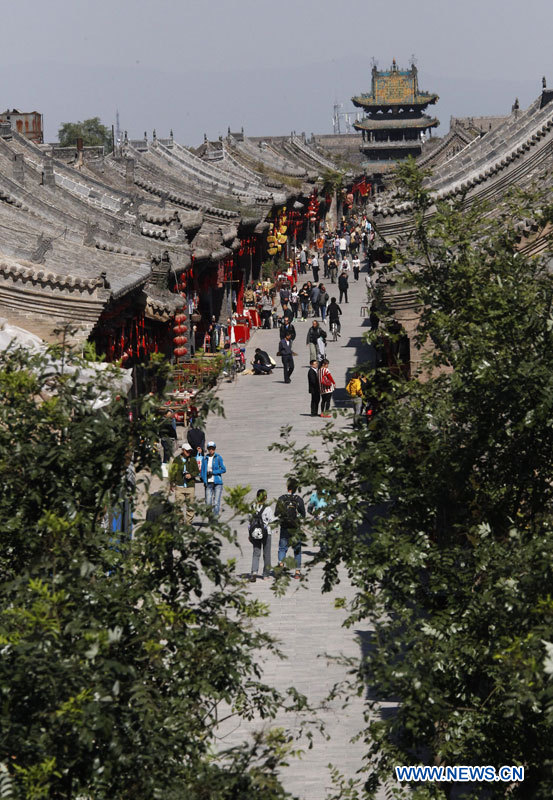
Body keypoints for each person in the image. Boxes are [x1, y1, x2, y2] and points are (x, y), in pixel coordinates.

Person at [276, 479, 306, 579]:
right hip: (295, 528)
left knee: (282, 548)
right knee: (297, 549)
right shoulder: (298, 499)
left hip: (284, 527)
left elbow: (276, 513)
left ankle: (280, 565)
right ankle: (297, 572)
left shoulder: (281, 498)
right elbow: (304, 514)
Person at [248, 488, 276, 582]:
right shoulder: (267, 508)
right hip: (266, 532)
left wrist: (249, 533)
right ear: (265, 497)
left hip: (255, 532)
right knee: (266, 554)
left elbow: (249, 520)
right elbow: (272, 521)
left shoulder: (252, 507)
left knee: (256, 552)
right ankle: (265, 574)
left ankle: (254, 572)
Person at [169, 442, 199, 524]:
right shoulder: (177, 460)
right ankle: (181, 522)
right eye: (187, 451)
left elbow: (196, 471)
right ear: (183, 450)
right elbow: (172, 472)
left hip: (190, 486)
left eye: (190, 451)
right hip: (180, 486)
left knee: (190, 506)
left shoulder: (192, 459)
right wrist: (171, 484)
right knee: (178, 506)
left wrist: (191, 475)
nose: (189, 453)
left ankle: (188, 523)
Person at [201, 441, 226, 517]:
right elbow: (202, 470)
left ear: (215, 449)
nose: (211, 450)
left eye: (212, 448)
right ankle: (210, 517)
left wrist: (213, 472)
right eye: (209, 448)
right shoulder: (205, 458)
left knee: (216, 502)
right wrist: (204, 479)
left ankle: (215, 518)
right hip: (208, 483)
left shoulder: (218, 457)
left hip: (217, 482)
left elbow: (223, 469)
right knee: (208, 502)